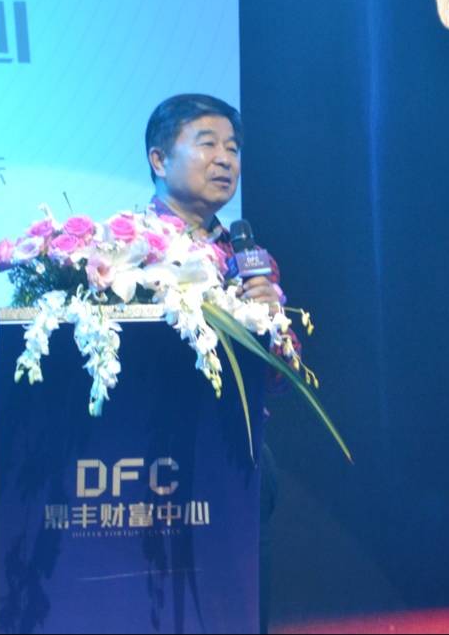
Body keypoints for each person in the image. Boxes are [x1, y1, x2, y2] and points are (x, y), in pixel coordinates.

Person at [144, 93, 293, 635]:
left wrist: (272, 323)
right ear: (159, 159)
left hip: (237, 460)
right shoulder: (120, 252)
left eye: (233, 148)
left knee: (237, 614)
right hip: (143, 467)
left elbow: (278, 379)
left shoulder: (250, 259)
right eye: (207, 144)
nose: (226, 159)